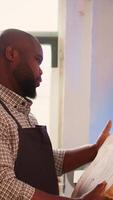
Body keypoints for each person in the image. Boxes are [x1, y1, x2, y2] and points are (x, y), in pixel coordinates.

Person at [0, 28, 111, 200]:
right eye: (37, 60)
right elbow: (4, 187)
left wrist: (96, 150)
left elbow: (48, 161)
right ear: (11, 54)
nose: (41, 70)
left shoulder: (22, 112)